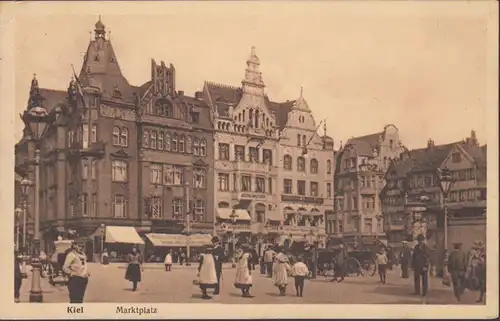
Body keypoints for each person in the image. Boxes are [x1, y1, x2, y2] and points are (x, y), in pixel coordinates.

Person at [62, 238, 90, 303]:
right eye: (79, 246)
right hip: (75, 280)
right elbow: (65, 267)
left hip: (83, 280)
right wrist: (72, 273)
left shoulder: (83, 254)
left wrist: (87, 272)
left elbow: (83, 265)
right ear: (74, 246)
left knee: (80, 300)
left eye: (82, 246)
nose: (81, 247)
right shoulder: (71, 255)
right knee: (75, 300)